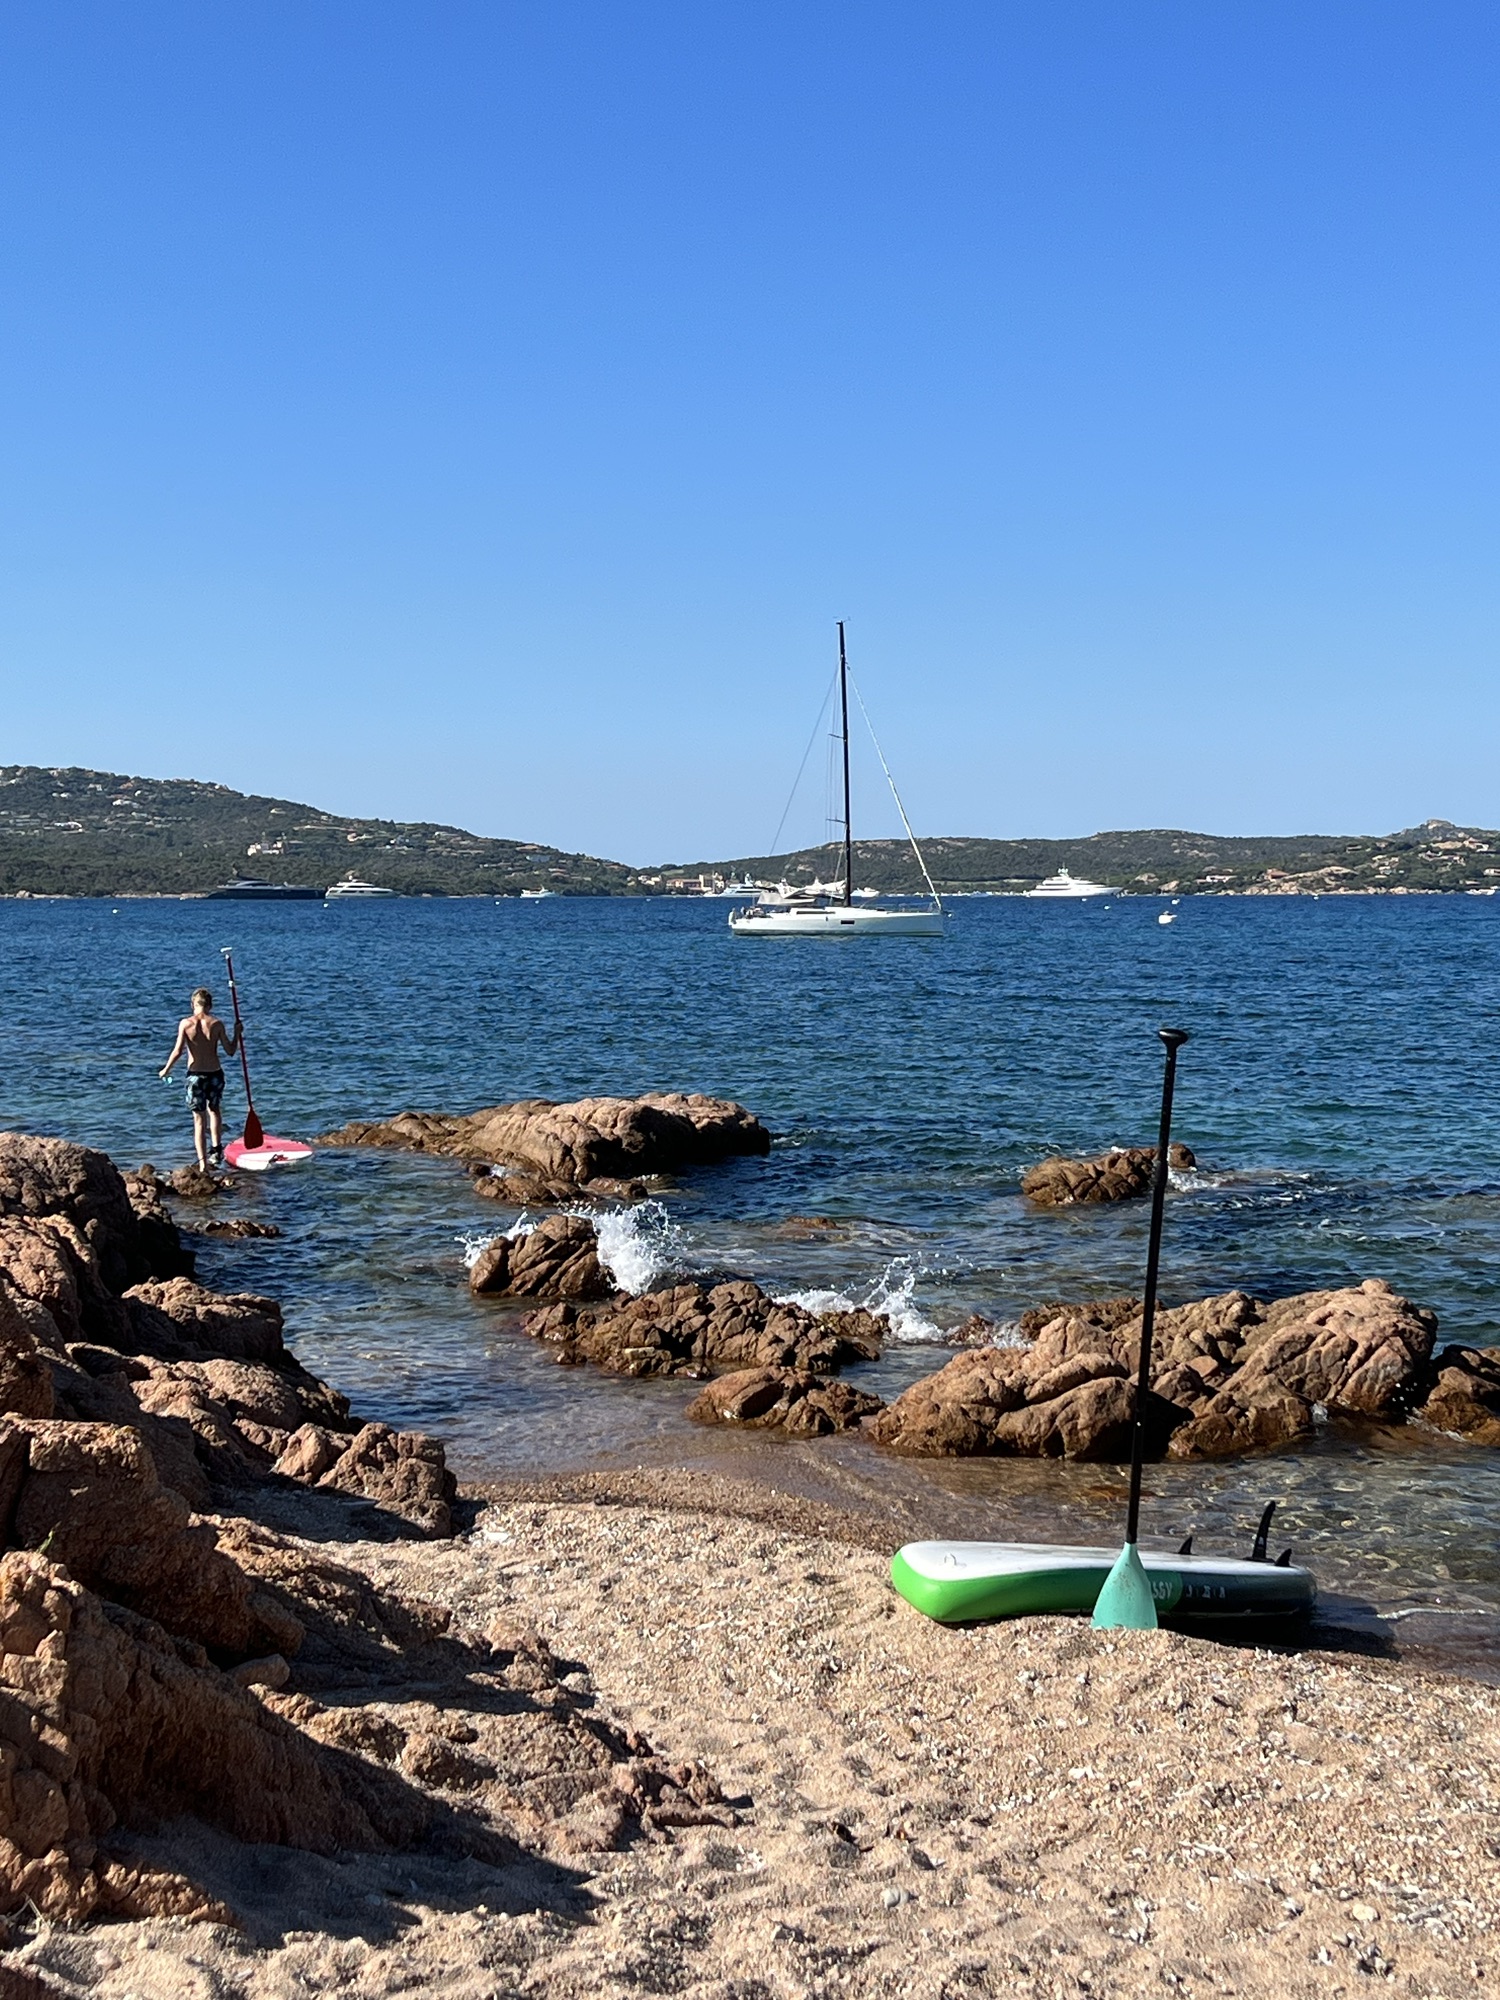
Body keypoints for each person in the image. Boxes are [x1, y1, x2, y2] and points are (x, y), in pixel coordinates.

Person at [160, 987, 240, 1169]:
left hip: (195, 1076)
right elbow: (230, 1051)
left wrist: (166, 1069)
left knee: (198, 1119)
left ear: (193, 1004)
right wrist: (237, 1033)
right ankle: (216, 1150)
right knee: (215, 1110)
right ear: (210, 1005)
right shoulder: (217, 1024)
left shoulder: (185, 1024)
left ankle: (203, 1163)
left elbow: (178, 1051)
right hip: (215, 1073)